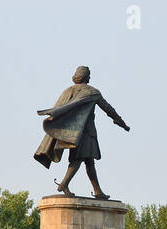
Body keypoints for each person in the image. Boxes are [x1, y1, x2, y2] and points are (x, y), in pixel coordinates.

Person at [34, 66, 129, 200]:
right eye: (89, 75)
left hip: (71, 133)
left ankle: (97, 191)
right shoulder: (92, 92)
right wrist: (121, 122)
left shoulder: (68, 91)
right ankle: (64, 184)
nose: (90, 77)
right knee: (78, 159)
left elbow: (59, 110)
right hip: (86, 133)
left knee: (89, 161)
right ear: (86, 77)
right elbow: (108, 109)